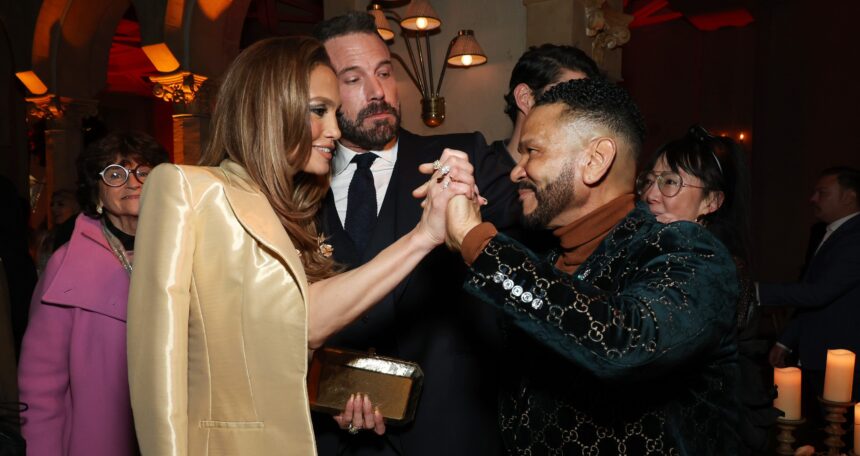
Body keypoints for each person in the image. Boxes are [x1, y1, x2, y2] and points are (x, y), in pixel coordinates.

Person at [126, 36, 474, 456]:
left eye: (333, 111)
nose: (334, 129)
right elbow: (155, 369)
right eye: (318, 111)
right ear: (270, 108)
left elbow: (292, 335)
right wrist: (424, 237)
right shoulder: (188, 188)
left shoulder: (295, 210)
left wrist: (337, 393)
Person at [439, 78, 743, 454]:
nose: (517, 171)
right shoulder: (545, 262)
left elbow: (626, 341)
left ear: (595, 161)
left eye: (532, 151)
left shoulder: (689, 252)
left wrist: (476, 241)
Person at [310, 11, 519, 456]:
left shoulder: (467, 157)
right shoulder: (297, 190)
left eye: (384, 72)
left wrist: (472, 207)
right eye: (353, 79)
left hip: (450, 435)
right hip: (332, 439)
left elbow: (537, 223)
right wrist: (324, 390)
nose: (378, 91)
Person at [17, 131, 169, 456]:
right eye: (115, 174)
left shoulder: (183, 255)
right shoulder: (67, 263)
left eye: (145, 172)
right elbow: (40, 386)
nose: (133, 182)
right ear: (97, 190)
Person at [637, 125, 778, 453]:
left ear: (711, 202)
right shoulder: (660, 250)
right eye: (650, 179)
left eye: (670, 181)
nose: (651, 194)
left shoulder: (716, 269)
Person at [761, 166, 860, 427]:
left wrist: (758, 291)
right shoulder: (828, 232)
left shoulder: (856, 236)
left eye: (822, 193)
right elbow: (809, 289)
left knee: (841, 435)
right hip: (818, 356)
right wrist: (786, 342)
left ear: (849, 197)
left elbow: (819, 293)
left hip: (842, 362)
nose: (812, 199)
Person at [493, 43, 601, 167]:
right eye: (567, 97)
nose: (581, 113)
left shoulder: (577, 176)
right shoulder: (476, 163)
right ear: (525, 98)